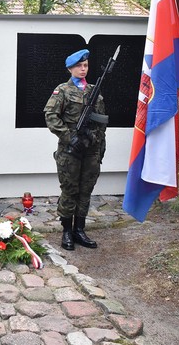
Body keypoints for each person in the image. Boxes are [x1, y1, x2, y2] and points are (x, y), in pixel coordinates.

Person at [44, 49, 106, 251]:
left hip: (91, 150)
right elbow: (51, 116)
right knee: (70, 190)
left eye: (85, 65)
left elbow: (102, 123)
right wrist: (70, 138)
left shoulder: (94, 91)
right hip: (70, 151)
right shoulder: (62, 90)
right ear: (70, 69)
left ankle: (79, 229)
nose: (83, 69)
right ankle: (67, 231)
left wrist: (98, 144)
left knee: (86, 190)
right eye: (79, 66)